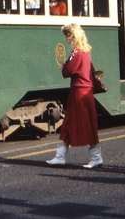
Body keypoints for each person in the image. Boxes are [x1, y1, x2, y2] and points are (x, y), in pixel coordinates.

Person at [46, 23, 102, 168]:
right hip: (85, 91)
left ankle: (94, 158)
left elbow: (66, 72)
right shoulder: (86, 51)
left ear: (72, 36)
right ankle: (63, 156)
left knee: (82, 124)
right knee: (72, 123)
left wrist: (64, 64)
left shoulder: (76, 53)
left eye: (67, 36)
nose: (66, 39)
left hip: (79, 92)